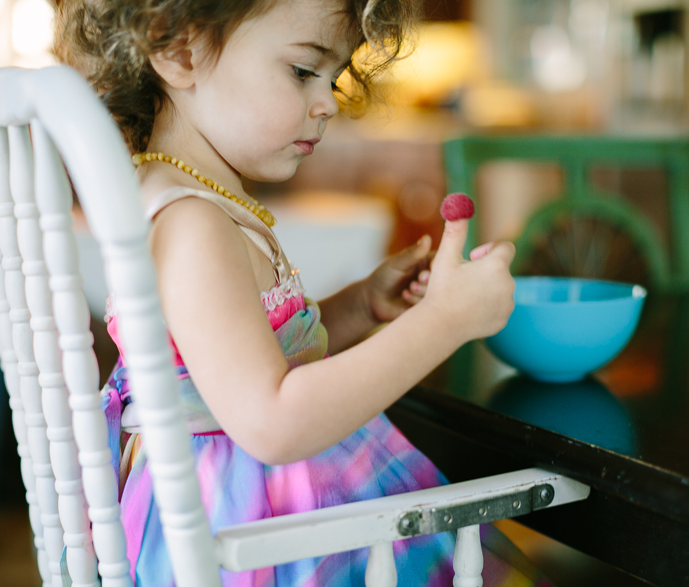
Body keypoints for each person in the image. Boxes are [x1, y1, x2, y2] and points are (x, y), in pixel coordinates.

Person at [54, 0, 550, 585]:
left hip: (255, 504)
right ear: (180, 52)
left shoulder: (196, 198)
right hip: (246, 531)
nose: (329, 102)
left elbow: (244, 360)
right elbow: (273, 420)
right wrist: (445, 321)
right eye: (302, 71)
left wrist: (361, 305)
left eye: (334, 77)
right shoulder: (192, 225)